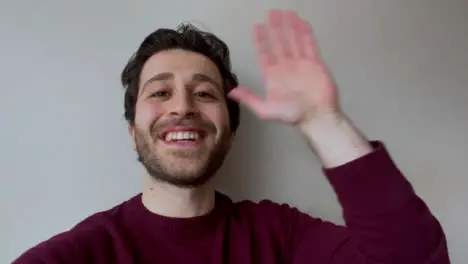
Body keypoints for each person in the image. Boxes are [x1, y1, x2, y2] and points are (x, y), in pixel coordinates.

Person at [13, 9, 449, 264]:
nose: (183, 107)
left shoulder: (279, 235)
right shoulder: (83, 253)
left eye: (204, 93)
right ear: (133, 134)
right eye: (161, 92)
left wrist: (321, 119)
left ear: (230, 132)